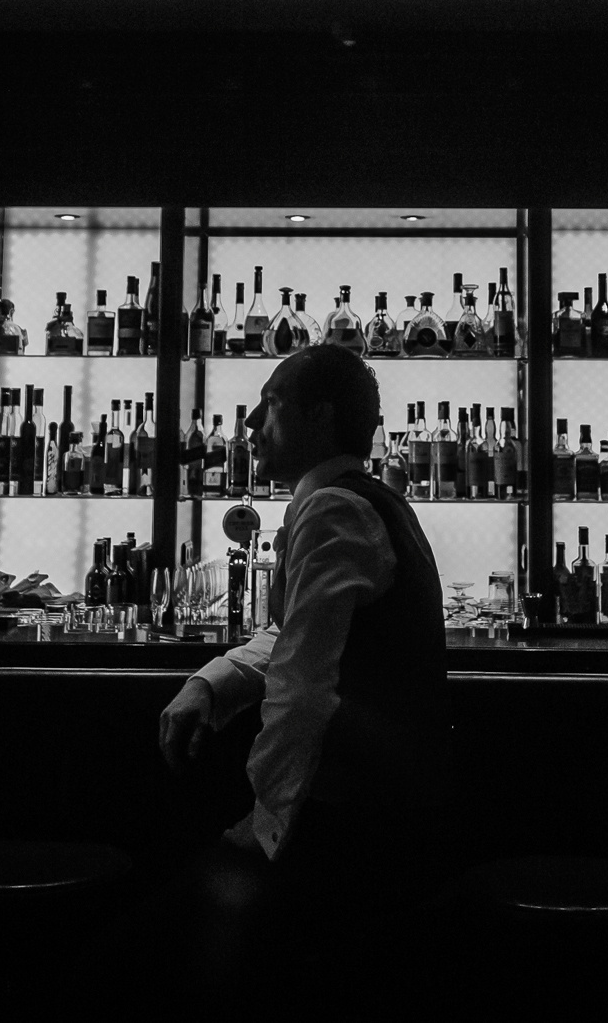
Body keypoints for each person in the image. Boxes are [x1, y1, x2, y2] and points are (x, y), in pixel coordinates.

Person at [156, 346, 448, 964]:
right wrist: (212, 682)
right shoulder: (360, 498)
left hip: (352, 827)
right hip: (389, 807)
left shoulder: (334, 507)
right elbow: (296, 635)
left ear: (319, 416)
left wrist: (266, 826)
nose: (250, 422)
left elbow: (304, 689)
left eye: (272, 402)